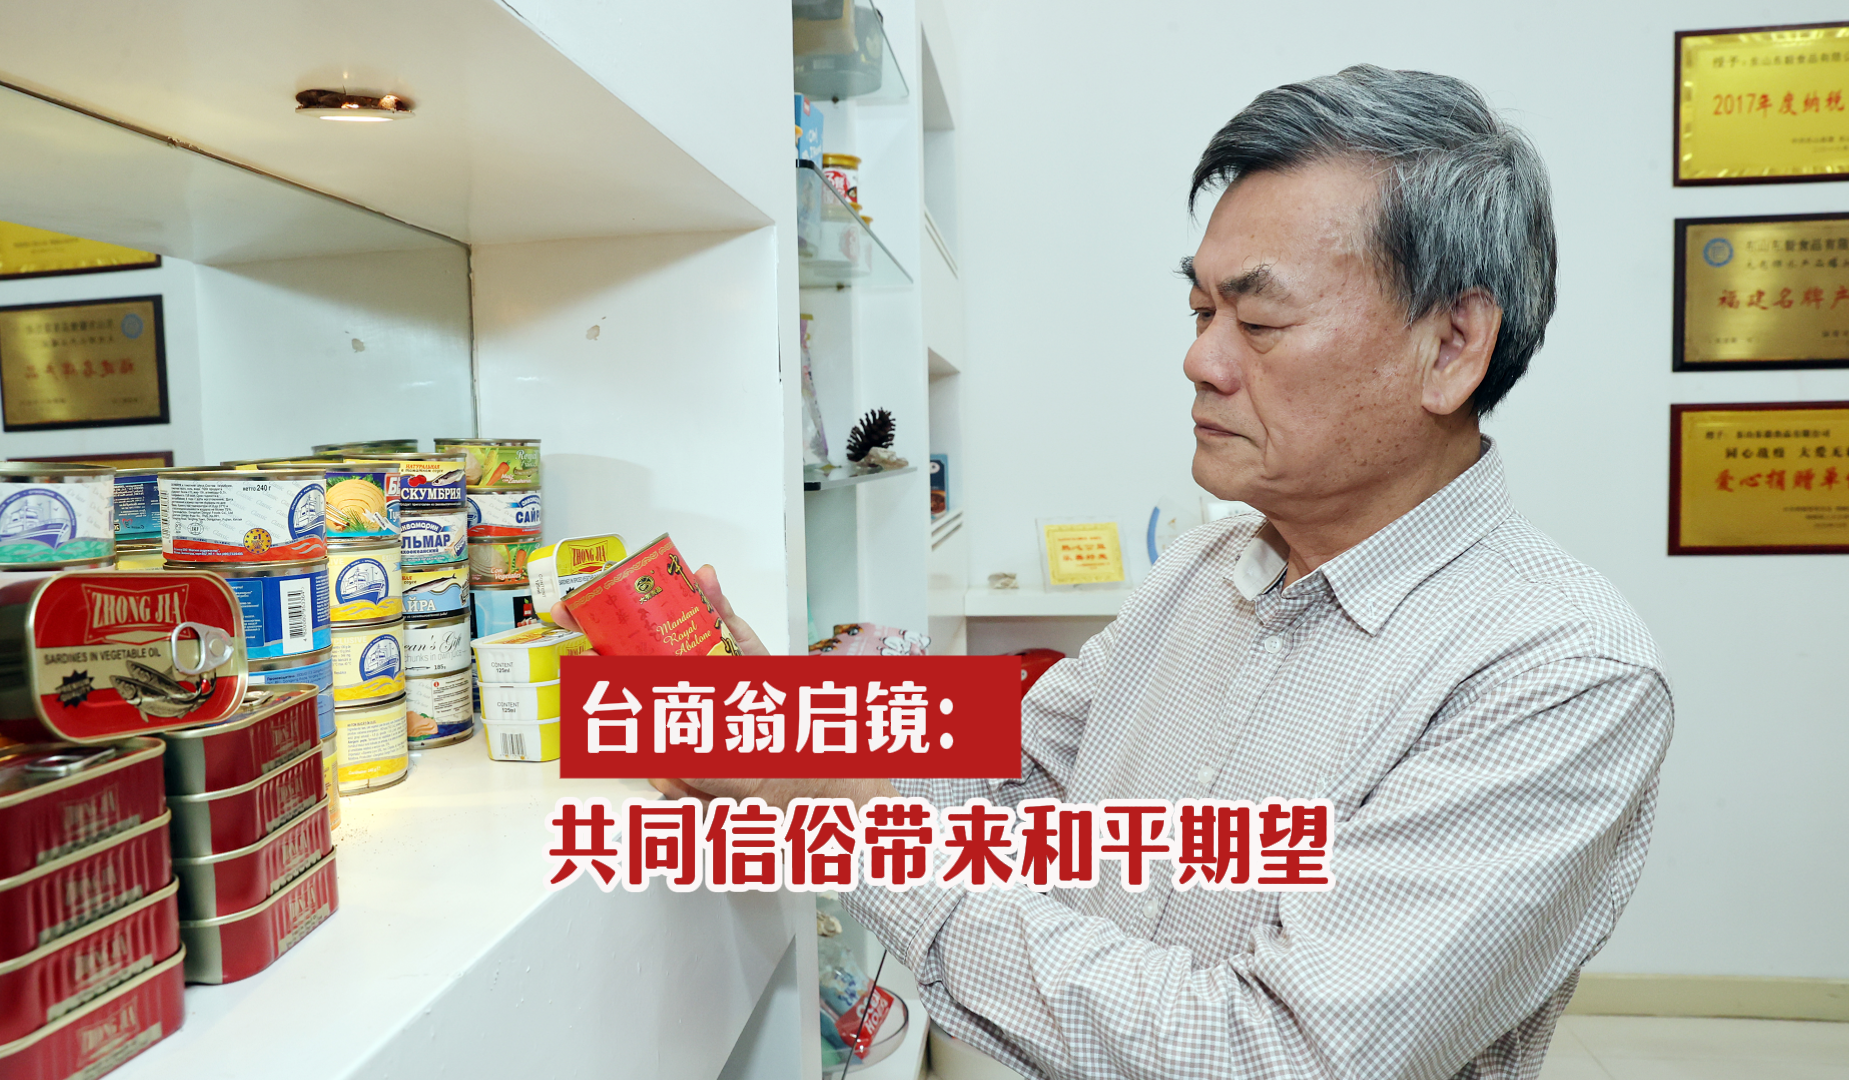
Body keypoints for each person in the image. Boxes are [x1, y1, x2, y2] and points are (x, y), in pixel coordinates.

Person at [557, 65, 1673, 1080]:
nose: (1200, 359)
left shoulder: (1557, 674)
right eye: (1200, 309)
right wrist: (777, 719)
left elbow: (1275, 1053)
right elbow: (1014, 764)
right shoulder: (1206, 570)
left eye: (1259, 319)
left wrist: (849, 829)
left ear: (1453, 346)